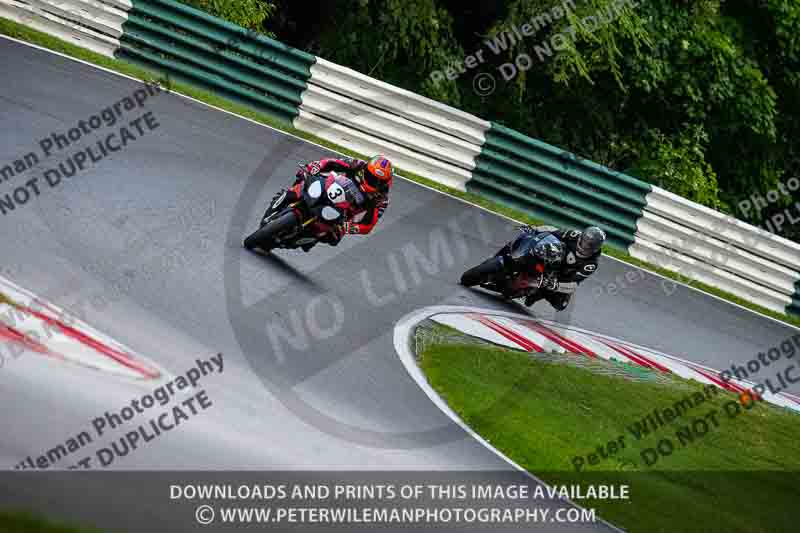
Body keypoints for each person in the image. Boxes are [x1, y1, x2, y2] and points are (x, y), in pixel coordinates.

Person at [262, 155, 393, 251]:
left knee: (332, 237)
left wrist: (347, 227)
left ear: (385, 182)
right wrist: (315, 166)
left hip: (344, 213)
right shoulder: (358, 165)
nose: (374, 182)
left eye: (378, 181)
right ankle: (277, 206)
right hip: (329, 188)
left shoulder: (382, 199)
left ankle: (301, 240)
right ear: (366, 170)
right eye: (371, 177)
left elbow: (368, 225)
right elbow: (332, 162)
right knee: (301, 182)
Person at [518, 225, 606, 310]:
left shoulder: (591, 264)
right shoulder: (574, 235)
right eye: (585, 242)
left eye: (590, 245)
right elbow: (553, 230)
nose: (586, 246)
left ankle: (538, 293)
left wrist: (556, 285)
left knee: (561, 304)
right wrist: (535, 228)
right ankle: (522, 258)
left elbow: (574, 283)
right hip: (551, 257)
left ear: (596, 248)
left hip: (561, 276)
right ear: (581, 237)